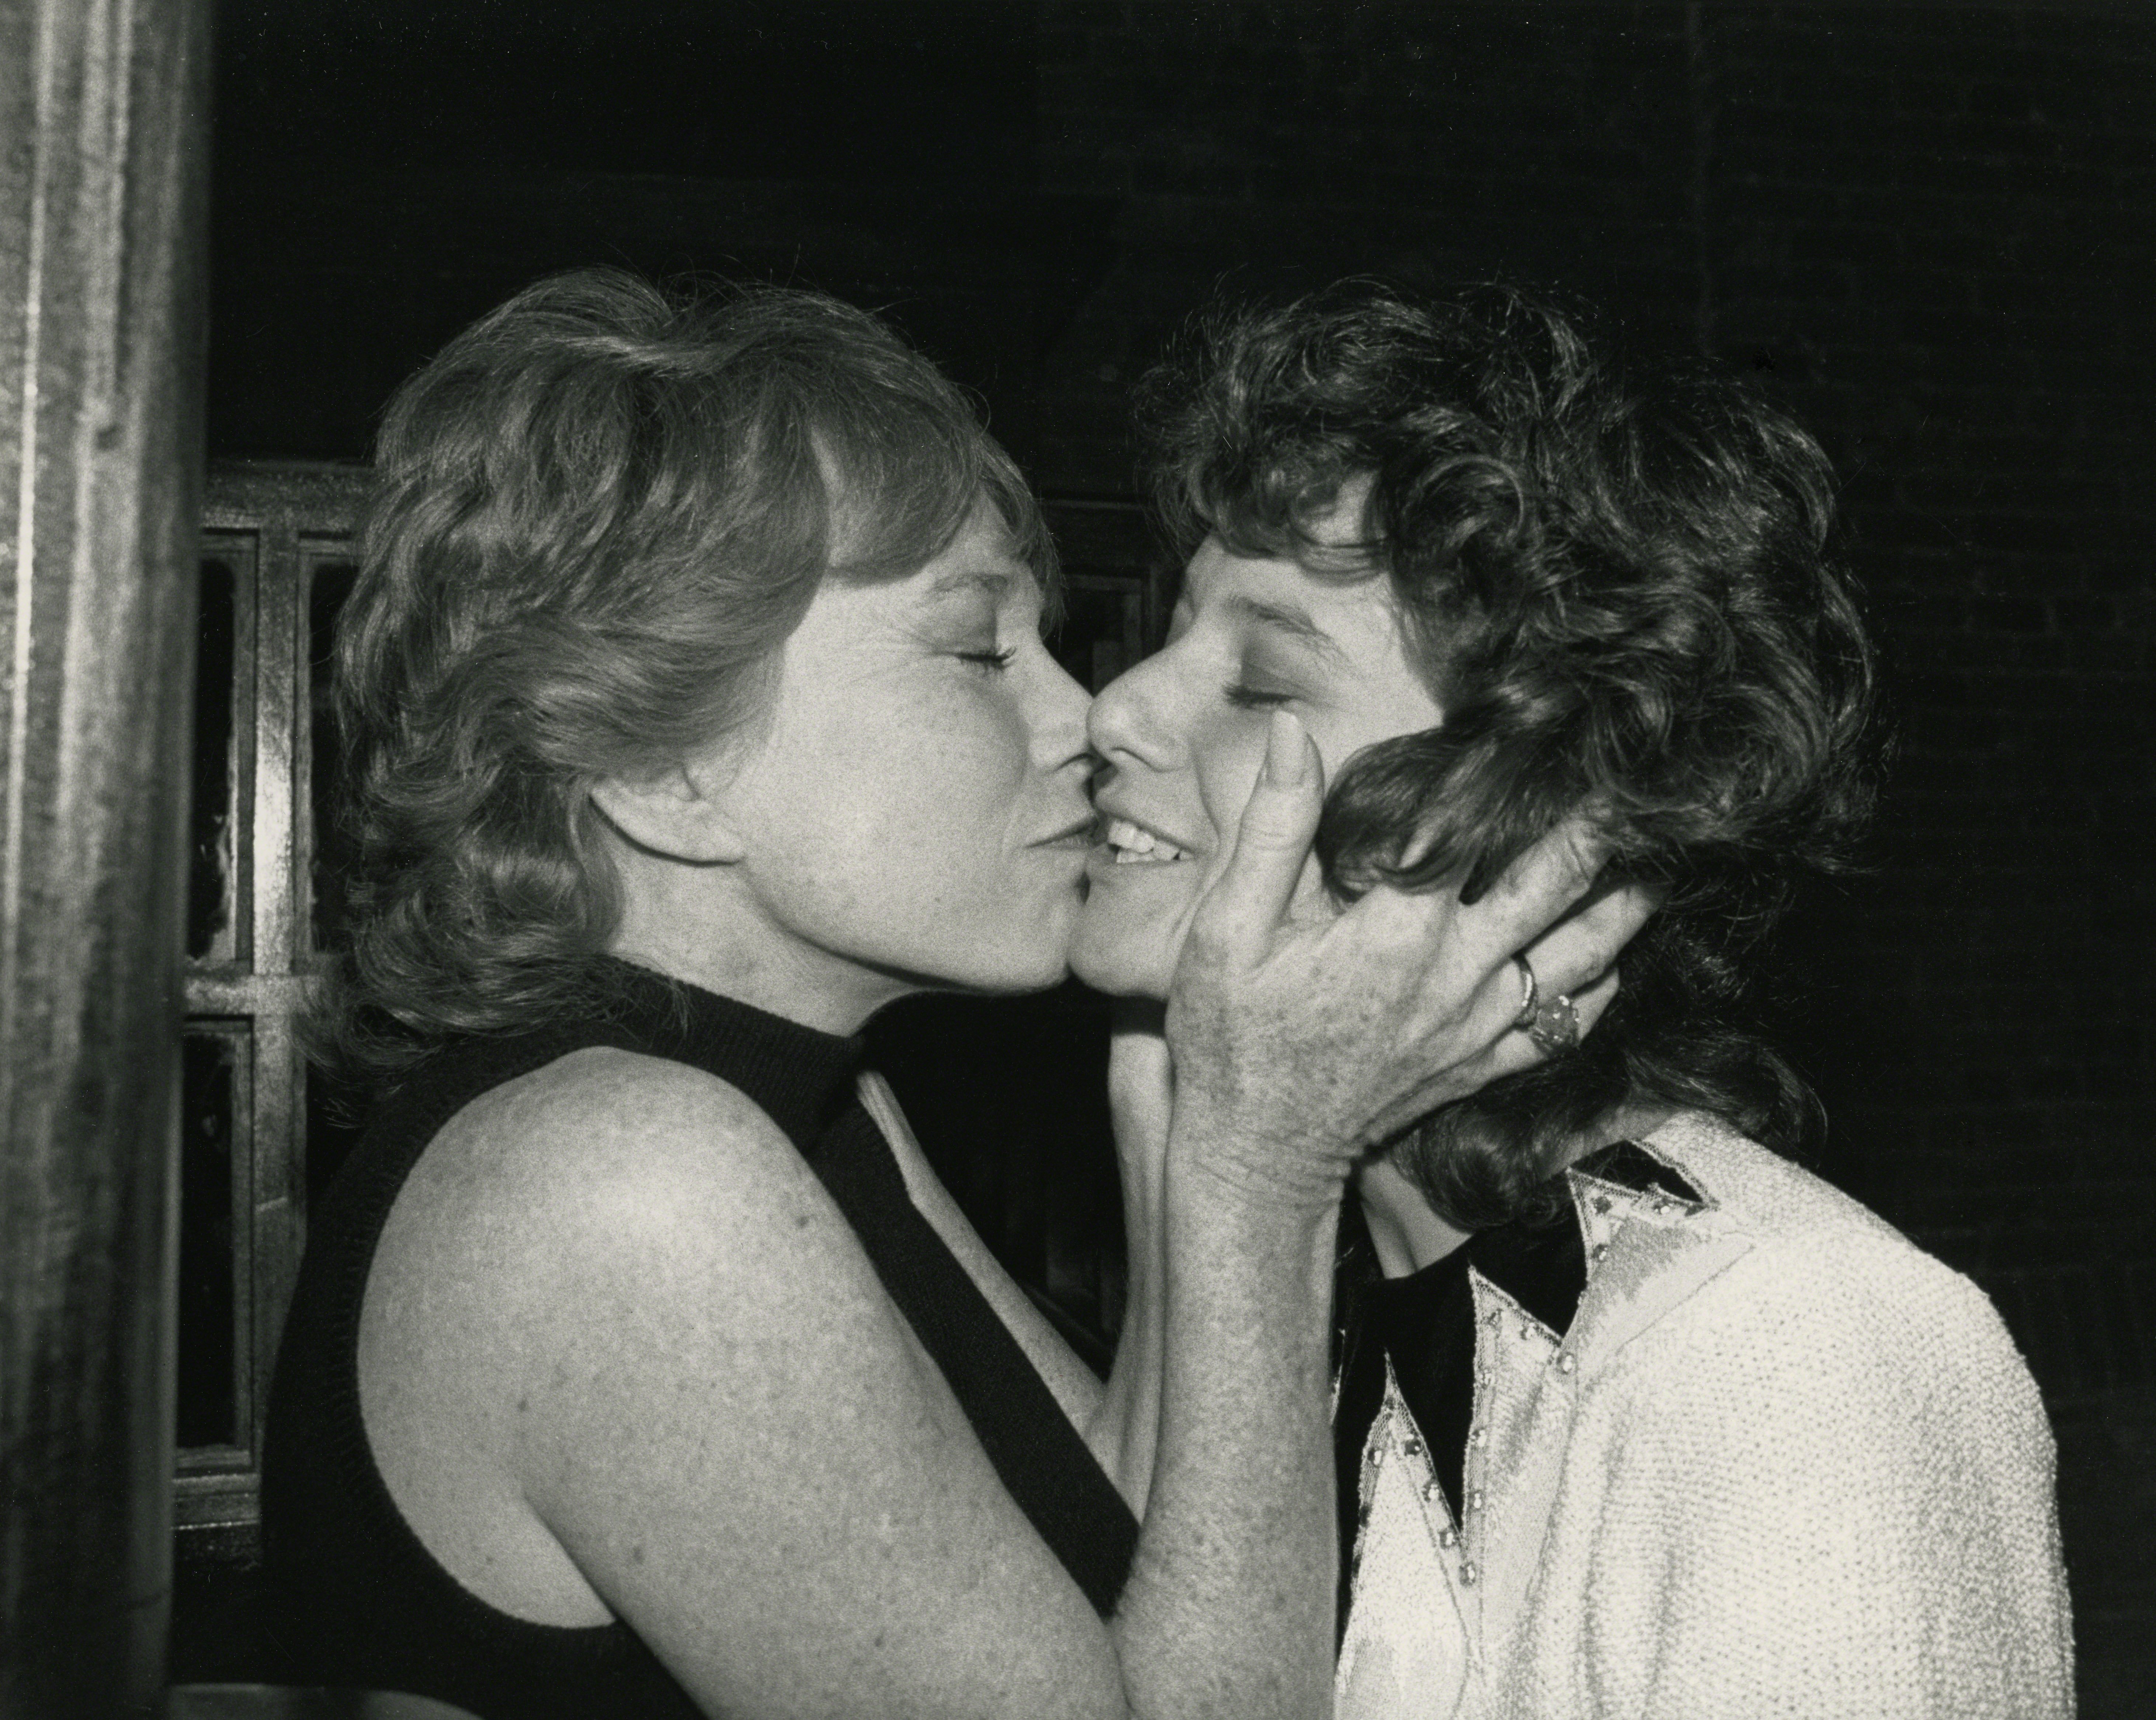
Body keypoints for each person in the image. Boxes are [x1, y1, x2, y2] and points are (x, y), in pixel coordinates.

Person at [260, 268, 1642, 1720]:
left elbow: (1119, 1541)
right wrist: (1267, 1167)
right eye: (978, 650)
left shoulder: (818, 1102)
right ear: (665, 768)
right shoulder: (623, 1180)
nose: (1084, 712)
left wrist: (1165, 1061)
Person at [1072, 281, 2073, 1719]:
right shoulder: (1319, 1298)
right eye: (1174, 634)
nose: (1115, 707)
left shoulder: (1791, 1343)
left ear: (1532, 819)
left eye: (1259, 678)